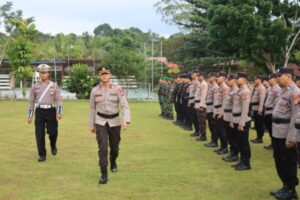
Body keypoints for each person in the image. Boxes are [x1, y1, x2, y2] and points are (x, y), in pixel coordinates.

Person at [89, 68, 131, 184]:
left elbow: (124, 105)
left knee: (114, 147)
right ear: (99, 76)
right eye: (102, 75)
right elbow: (92, 108)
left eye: (106, 74)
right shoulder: (95, 90)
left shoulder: (118, 89)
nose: (104, 76)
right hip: (100, 121)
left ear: (110, 75)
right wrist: (91, 124)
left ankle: (113, 160)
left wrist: (126, 120)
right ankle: (103, 174)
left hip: (115, 121)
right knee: (103, 147)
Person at [270, 67, 299, 200]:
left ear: (288, 76)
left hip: (287, 134)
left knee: (289, 162)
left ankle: (291, 191)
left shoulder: (295, 92)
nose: (277, 78)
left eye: (279, 76)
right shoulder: (283, 91)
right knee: (279, 161)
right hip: (277, 132)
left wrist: (292, 138)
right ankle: (285, 186)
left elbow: (296, 116)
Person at [27, 64, 62, 162]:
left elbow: (58, 100)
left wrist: (59, 112)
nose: (43, 74)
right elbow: (31, 101)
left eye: (45, 72)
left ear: (48, 73)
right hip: (39, 111)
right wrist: (30, 116)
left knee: (53, 132)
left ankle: (53, 144)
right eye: (41, 72)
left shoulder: (54, 85)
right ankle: (42, 155)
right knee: (39, 134)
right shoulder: (34, 86)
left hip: (51, 111)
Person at [230, 72, 252, 170]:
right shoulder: (239, 91)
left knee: (244, 143)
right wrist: (232, 120)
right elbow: (235, 106)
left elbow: (245, 109)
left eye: (238, 78)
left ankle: (246, 163)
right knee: (239, 142)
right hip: (236, 119)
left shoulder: (245, 91)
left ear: (243, 79)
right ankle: (241, 161)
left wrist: (242, 123)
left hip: (242, 120)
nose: (236, 80)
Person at [221, 74, 239, 162]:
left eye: (230, 79)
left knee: (233, 136)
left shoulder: (236, 91)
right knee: (229, 135)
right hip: (227, 115)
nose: (228, 81)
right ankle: (232, 153)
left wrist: (232, 119)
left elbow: (234, 107)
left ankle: (235, 154)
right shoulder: (231, 90)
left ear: (234, 80)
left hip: (231, 116)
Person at [213, 71, 230, 155]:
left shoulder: (225, 88)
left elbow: (225, 102)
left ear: (223, 78)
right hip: (217, 110)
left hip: (221, 112)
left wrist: (221, 113)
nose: (217, 78)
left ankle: (225, 147)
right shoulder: (220, 87)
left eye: (219, 77)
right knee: (218, 130)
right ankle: (221, 146)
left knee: (222, 131)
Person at [263, 73, 281, 150]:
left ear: (275, 79)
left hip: (271, 112)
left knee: (272, 129)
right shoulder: (269, 89)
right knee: (269, 129)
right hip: (267, 111)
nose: (269, 81)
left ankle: (274, 145)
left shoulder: (277, 89)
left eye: (270, 79)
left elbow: (277, 102)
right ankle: (272, 143)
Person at [204, 73, 219, 148]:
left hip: (212, 109)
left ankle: (214, 141)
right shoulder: (211, 86)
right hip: (209, 108)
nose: (208, 79)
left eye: (209, 77)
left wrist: (214, 111)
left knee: (213, 126)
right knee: (210, 125)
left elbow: (216, 101)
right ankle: (213, 140)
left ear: (213, 78)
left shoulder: (215, 87)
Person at [250, 76, 266, 144]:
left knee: (259, 124)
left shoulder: (261, 88)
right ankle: (257, 137)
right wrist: (253, 86)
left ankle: (260, 138)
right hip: (254, 108)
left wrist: (260, 109)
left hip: (259, 109)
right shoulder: (256, 87)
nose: (255, 80)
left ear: (260, 80)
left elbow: (262, 100)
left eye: (256, 79)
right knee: (256, 124)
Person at [194, 71, 208, 141]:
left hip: (201, 105)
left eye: (199, 76)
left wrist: (201, 106)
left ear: (202, 76)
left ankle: (203, 136)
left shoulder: (204, 84)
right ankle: (201, 134)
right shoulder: (200, 83)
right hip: (198, 104)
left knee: (202, 121)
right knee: (199, 121)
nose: (198, 77)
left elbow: (203, 95)